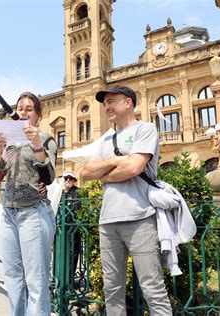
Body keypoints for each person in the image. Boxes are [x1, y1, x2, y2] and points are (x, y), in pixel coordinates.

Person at [81, 86, 172, 315]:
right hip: (108, 221)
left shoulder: (145, 129)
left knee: (153, 288)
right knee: (112, 290)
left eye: (111, 101)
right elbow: (86, 172)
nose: (107, 107)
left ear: (128, 103)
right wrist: (117, 162)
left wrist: (106, 170)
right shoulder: (106, 139)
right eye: (105, 103)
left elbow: (134, 167)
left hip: (140, 218)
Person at [0, 91, 57, 316]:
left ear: (38, 115)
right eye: (20, 108)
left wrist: (37, 144)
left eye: (29, 109)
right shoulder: (11, 144)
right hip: (9, 213)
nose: (23, 112)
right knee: (13, 277)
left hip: (34, 213)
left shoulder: (46, 138)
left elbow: (48, 177)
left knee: (36, 280)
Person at [62, 170, 82, 286]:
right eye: (66, 179)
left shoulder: (78, 193)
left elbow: (79, 209)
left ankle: (69, 280)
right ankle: (62, 280)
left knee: (73, 254)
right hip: (62, 231)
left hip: (74, 230)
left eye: (70, 178)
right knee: (63, 254)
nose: (68, 180)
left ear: (74, 180)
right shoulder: (61, 193)